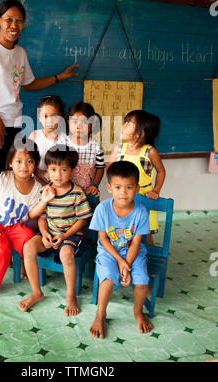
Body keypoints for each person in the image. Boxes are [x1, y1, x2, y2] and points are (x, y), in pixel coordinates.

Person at [0, 0, 78, 218]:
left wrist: (59, 77)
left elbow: (29, 84)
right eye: (8, 20)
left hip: (14, 125)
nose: (13, 25)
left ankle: (6, 231)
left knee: (11, 179)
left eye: (19, 21)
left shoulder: (20, 53)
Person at [0, 136, 55, 304]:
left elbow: (32, 214)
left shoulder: (37, 188)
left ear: (35, 164)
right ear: (10, 163)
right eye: (19, 161)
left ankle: (22, 261)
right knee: (0, 251)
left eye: (29, 161)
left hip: (11, 228)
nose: (24, 166)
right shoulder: (4, 179)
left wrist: (44, 200)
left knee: (28, 236)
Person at [19, 145, 92, 316]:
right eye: (53, 169)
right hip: (50, 233)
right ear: (47, 170)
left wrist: (64, 235)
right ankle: (36, 292)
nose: (58, 175)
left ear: (72, 171)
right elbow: (42, 217)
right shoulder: (46, 191)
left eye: (63, 170)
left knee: (66, 254)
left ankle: (70, 295)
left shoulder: (77, 193)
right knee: (28, 247)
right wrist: (44, 234)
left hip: (71, 236)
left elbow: (82, 220)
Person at [89, 161, 152, 338]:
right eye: (118, 187)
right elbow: (103, 239)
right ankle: (100, 314)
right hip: (109, 252)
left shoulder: (140, 211)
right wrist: (120, 261)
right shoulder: (102, 209)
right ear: (109, 188)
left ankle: (138, 311)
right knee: (108, 280)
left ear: (137, 188)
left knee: (142, 281)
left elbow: (136, 243)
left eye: (129, 187)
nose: (123, 193)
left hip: (133, 252)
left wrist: (127, 264)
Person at [107, 109, 166, 245]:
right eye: (125, 122)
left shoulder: (150, 151)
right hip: (122, 197)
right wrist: (114, 187)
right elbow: (110, 168)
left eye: (129, 124)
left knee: (145, 235)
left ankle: (147, 262)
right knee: (122, 232)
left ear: (141, 133)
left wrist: (156, 190)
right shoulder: (118, 149)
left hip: (144, 198)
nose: (123, 126)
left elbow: (161, 171)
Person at [59, 101, 105, 211]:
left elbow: (100, 168)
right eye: (74, 122)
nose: (79, 126)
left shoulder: (96, 146)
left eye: (84, 122)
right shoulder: (62, 144)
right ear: (68, 122)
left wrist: (94, 185)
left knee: (91, 217)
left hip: (88, 192)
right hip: (67, 192)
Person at [29, 94, 65, 184]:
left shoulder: (65, 138)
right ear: (39, 118)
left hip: (58, 181)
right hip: (35, 180)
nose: (49, 120)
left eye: (54, 116)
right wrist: (37, 172)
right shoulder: (34, 136)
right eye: (45, 116)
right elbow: (28, 158)